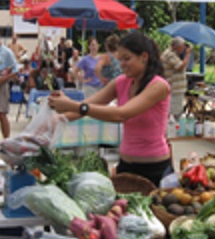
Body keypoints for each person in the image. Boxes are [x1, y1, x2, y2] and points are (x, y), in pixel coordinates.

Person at [49, 31, 172, 186]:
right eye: (120, 59)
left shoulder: (158, 85)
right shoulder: (121, 82)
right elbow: (90, 104)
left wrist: (73, 105)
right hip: (125, 166)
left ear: (144, 56)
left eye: (127, 59)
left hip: (154, 169)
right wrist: (54, 120)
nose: (122, 64)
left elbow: (121, 114)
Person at [161, 36, 191, 119]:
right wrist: (188, 54)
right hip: (174, 89)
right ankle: (172, 130)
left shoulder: (174, 54)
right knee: (174, 114)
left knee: (176, 112)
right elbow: (180, 66)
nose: (184, 48)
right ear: (176, 46)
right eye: (183, 46)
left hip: (176, 89)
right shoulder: (169, 55)